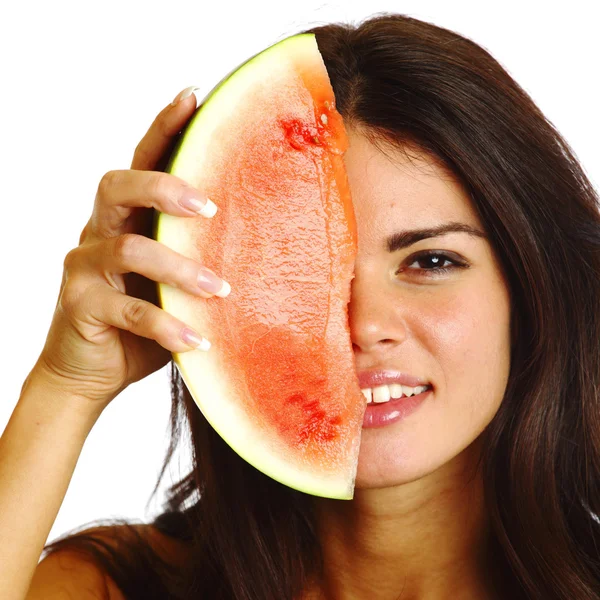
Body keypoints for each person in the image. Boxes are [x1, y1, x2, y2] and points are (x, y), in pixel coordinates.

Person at [2, 12, 600, 600]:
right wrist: (67, 387)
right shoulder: (110, 588)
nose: (364, 326)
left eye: (431, 262)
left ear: (528, 286)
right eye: (306, 271)